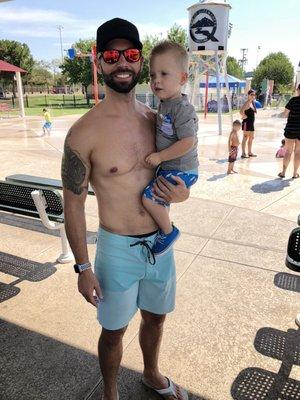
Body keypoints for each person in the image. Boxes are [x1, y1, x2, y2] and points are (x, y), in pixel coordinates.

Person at [61, 18, 190, 400]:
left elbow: (178, 173)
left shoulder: (157, 122)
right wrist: (83, 267)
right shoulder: (83, 132)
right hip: (117, 250)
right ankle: (111, 393)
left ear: (140, 64)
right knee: (114, 329)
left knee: (156, 317)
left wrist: (181, 195)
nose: (122, 62)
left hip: (160, 245)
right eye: (112, 55)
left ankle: (151, 373)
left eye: (131, 54)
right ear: (99, 62)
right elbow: (73, 205)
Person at [142, 41, 199, 256]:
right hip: (172, 168)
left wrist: (160, 156)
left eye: (164, 74)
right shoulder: (166, 104)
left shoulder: (182, 108)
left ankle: (168, 231)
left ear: (182, 79)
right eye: (152, 75)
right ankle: (163, 226)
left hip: (182, 169)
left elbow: (188, 142)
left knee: (149, 197)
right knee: (158, 198)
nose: (156, 80)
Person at [278, 84, 300, 179]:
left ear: (298, 89)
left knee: (288, 152)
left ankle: (283, 172)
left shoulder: (293, 100)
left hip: (290, 129)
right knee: (298, 152)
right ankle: (295, 173)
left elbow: (285, 114)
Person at [240, 89, 257, 158]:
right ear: (248, 95)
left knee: (251, 138)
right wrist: (244, 116)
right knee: (245, 137)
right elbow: (241, 111)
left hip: (251, 124)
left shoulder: (252, 103)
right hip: (246, 123)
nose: (253, 96)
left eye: (254, 94)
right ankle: (243, 153)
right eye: (251, 94)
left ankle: (249, 152)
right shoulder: (247, 103)